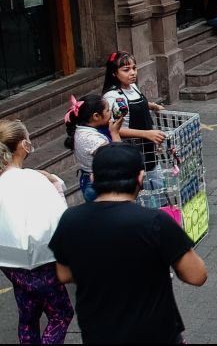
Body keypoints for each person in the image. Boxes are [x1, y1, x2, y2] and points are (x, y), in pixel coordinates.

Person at [48, 143, 207, 343]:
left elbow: (63, 274)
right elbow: (197, 275)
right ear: (140, 178)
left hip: (99, 334)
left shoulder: (70, 219)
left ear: (93, 178)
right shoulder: (155, 222)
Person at [0, 119, 73, 344]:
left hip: (9, 261)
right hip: (41, 260)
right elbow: (59, 217)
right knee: (61, 314)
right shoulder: (34, 179)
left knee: (28, 315)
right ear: (23, 145)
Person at [102, 51, 166, 189]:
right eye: (126, 70)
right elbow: (116, 129)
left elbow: (134, 105)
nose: (132, 73)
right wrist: (147, 134)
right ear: (114, 73)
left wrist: (152, 106)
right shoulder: (112, 97)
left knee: (158, 185)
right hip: (132, 149)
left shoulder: (133, 87)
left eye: (134, 68)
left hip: (148, 146)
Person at [64, 94, 123, 202]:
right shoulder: (90, 138)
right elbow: (118, 157)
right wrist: (115, 133)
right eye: (107, 110)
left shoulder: (84, 129)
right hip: (99, 185)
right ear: (96, 116)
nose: (110, 112)